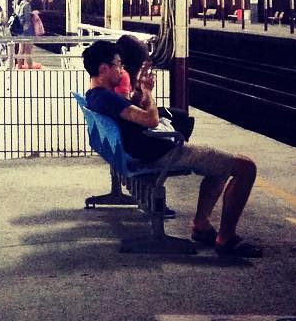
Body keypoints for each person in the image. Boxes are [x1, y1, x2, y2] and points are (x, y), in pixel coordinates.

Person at [82, 39, 261, 257]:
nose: (121, 69)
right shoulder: (107, 97)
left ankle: (201, 225)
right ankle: (226, 239)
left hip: (146, 149)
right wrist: (148, 92)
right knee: (246, 167)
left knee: (219, 169)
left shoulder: (96, 95)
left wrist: (140, 94)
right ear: (104, 68)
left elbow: (133, 114)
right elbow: (151, 120)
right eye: (118, 64)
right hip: (161, 153)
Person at [13, 0, 37, 69]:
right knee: (28, 52)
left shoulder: (19, 5)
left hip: (20, 31)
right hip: (27, 31)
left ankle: (19, 67)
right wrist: (33, 14)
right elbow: (27, 19)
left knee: (21, 50)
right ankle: (30, 68)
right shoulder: (27, 5)